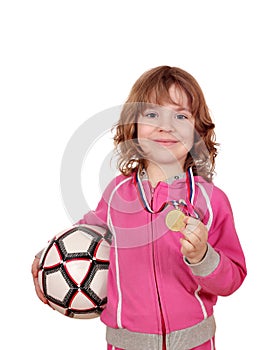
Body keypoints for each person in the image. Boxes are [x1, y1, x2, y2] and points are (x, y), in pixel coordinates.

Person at [32, 66, 247, 350]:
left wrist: (203, 257)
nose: (166, 126)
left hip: (195, 343)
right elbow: (85, 233)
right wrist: (48, 258)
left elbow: (232, 279)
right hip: (126, 344)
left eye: (181, 115)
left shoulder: (211, 201)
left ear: (198, 132)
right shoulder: (117, 194)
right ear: (133, 126)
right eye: (152, 114)